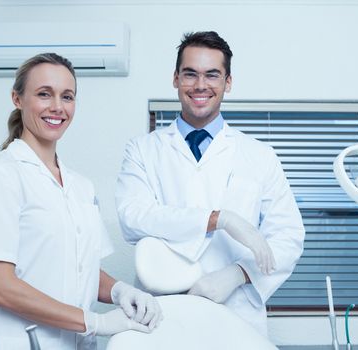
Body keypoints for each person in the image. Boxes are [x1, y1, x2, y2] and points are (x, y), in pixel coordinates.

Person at [0, 53, 162, 350]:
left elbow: (81, 270)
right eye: (44, 94)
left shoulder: (80, 186)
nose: (57, 107)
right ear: (17, 98)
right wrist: (95, 321)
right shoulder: (1, 174)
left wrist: (121, 291)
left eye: (67, 96)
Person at [115, 31, 305, 335]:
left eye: (212, 75)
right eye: (190, 74)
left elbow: (288, 237)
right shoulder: (143, 150)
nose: (200, 85)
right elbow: (133, 218)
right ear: (175, 78)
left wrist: (238, 273)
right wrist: (217, 219)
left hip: (238, 314)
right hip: (163, 313)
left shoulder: (259, 155)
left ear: (227, 82)